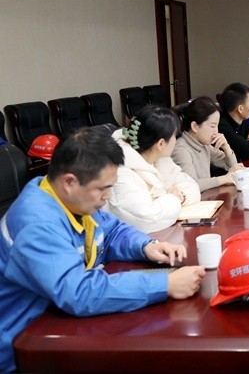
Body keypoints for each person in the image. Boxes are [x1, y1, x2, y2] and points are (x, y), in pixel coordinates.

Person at [0, 127, 205, 373]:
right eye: (102, 188)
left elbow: (112, 230)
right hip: (22, 346)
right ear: (69, 182)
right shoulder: (37, 224)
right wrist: (165, 284)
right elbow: (78, 292)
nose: (107, 197)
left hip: (57, 325)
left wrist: (147, 246)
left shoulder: (69, 199)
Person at [107, 105, 201, 233]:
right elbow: (146, 219)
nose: (176, 140)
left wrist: (182, 196)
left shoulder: (161, 160)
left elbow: (192, 186)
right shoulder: (121, 172)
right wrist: (174, 198)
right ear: (161, 144)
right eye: (174, 136)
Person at [172, 96, 245, 191]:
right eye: (212, 126)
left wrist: (226, 147)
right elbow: (191, 185)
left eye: (217, 126)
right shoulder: (180, 149)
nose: (216, 132)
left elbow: (233, 168)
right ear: (195, 126)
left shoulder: (204, 144)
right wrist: (225, 178)